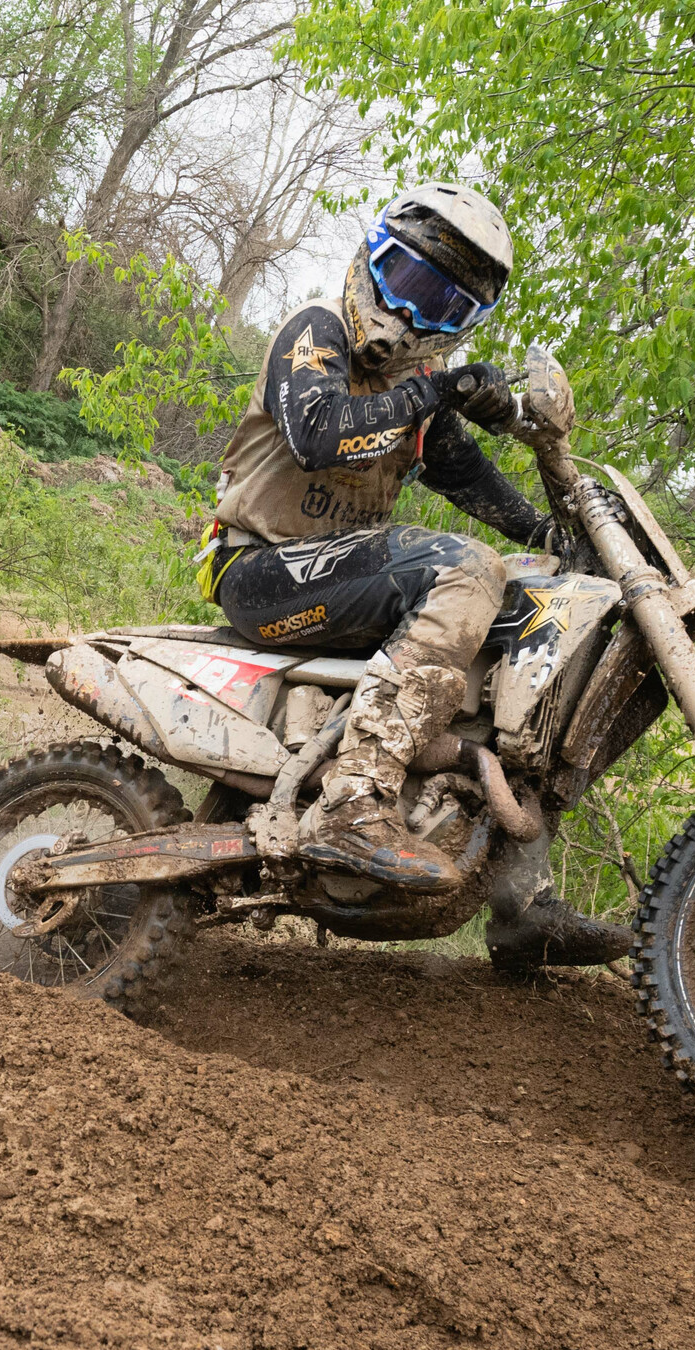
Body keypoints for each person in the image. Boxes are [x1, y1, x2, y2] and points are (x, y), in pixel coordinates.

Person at [198, 181, 629, 969]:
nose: (414, 316)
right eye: (408, 283)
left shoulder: (414, 401)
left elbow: (475, 485)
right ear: (372, 258)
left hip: (338, 586)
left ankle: (519, 900)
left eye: (445, 307)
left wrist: (559, 536)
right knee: (464, 565)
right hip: (259, 571)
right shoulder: (316, 330)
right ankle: (355, 798)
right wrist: (440, 387)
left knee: (546, 624)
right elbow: (316, 433)